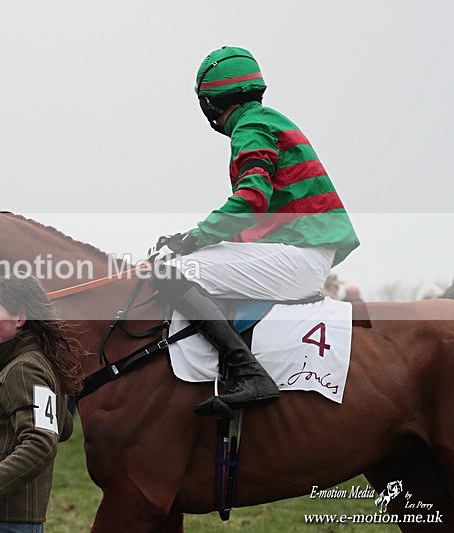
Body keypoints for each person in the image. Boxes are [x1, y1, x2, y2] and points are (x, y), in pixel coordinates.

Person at [152, 46, 360, 416]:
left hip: (300, 256)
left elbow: (251, 200)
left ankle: (250, 373)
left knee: (170, 271)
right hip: (301, 250)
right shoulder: (266, 121)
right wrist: (196, 240)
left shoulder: (250, 128)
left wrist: (195, 237)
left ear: (209, 103)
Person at [0, 277, 84, 532]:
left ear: (20, 318)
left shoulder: (25, 369)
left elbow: (41, 443)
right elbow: (61, 428)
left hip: (5, 521)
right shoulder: (33, 364)